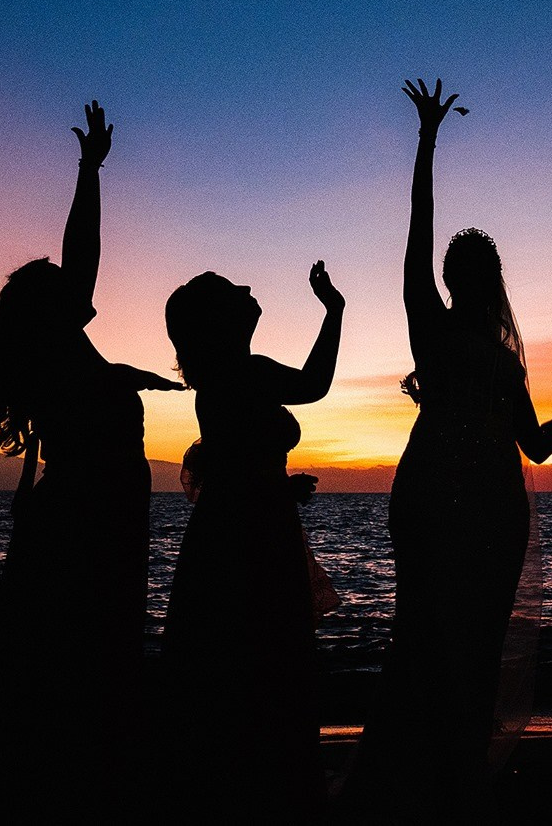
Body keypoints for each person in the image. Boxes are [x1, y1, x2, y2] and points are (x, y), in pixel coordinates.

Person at [348, 79, 552, 821]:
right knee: (425, 631)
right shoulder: (433, 328)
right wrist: (427, 140)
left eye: (483, 271)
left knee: (477, 637)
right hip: (436, 489)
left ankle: (462, 769)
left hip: (497, 501)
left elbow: (531, 442)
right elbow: (419, 226)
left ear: (492, 279)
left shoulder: (508, 357)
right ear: (451, 278)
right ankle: (414, 774)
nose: (476, 280)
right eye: (465, 271)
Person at [0, 101, 186, 811]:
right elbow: (83, 256)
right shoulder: (64, 363)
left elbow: (80, 265)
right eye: (63, 291)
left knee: (82, 670)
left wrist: (90, 170)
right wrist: (88, 170)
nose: (78, 292)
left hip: (95, 521)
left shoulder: (63, 359)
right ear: (50, 311)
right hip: (88, 526)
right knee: (84, 670)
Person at [161, 260, 346, 823]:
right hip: (253, 544)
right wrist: (334, 310)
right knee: (266, 661)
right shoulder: (244, 370)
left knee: (241, 663)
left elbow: (235, 465)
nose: (247, 288)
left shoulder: (222, 378)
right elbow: (314, 385)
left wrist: (279, 486)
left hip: (239, 529)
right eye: (233, 290)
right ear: (223, 320)